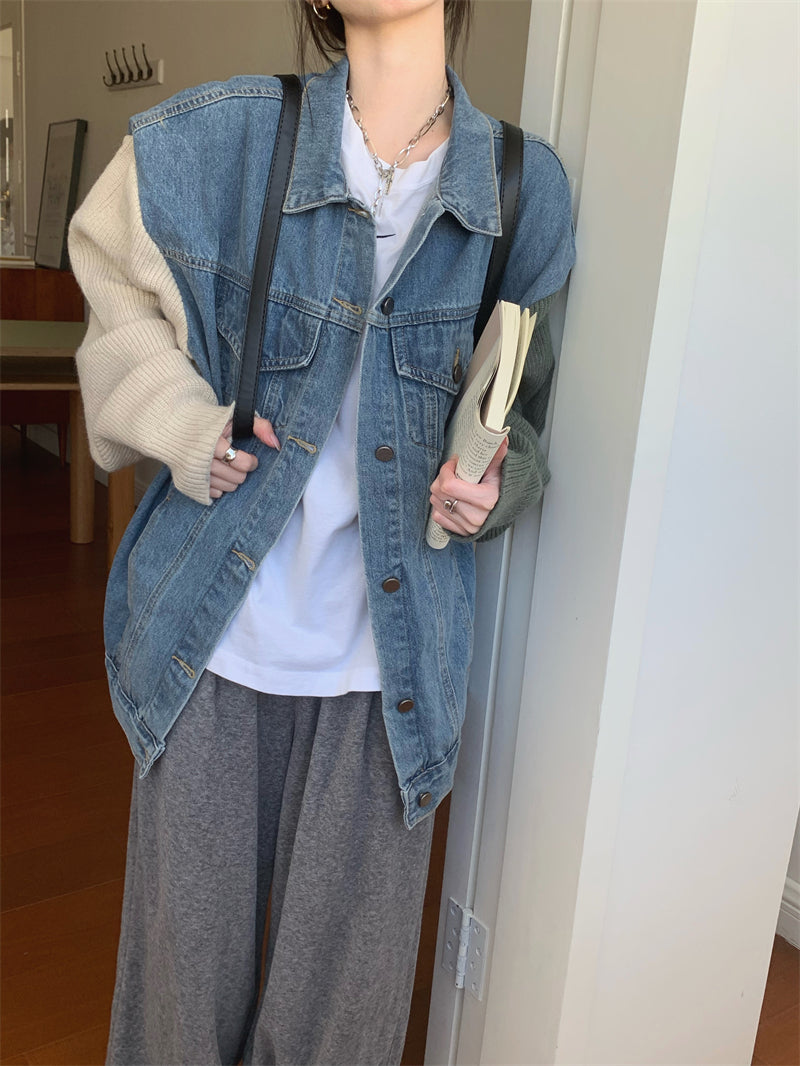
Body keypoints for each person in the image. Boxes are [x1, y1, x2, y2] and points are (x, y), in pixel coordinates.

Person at [67, 0, 576, 1062]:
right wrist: (185, 425)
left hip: (388, 683)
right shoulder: (228, 136)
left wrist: (496, 484)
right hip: (211, 653)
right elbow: (108, 271)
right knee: (176, 1020)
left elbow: (523, 417)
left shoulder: (520, 190)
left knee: (336, 1030)